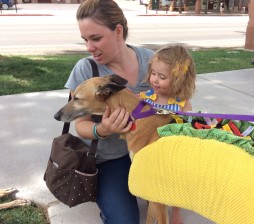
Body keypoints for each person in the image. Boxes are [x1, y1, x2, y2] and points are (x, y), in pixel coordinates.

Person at [64, 0, 154, 223]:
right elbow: (80, 124)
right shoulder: (86, 69)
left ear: (118, 31)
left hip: (148, 151)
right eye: (85, 40)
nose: (89, 47)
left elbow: (178, 104)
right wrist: (102, 129)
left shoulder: (152, 61)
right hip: (109, 158)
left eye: (96, 38)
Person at [139, 45, 197, 224]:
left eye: (162, 77)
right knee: (154, 185)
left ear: (179, 80)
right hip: (149, 151)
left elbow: (187, 130)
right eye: (153, 73)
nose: (155, 80)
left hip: (172, 153)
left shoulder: (183, 105)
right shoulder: (145, 98)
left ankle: (176, 210)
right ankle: (154, 203)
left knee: (175, 182)